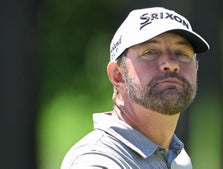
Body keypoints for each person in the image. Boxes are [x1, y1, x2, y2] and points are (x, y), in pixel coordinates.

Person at [61, 7, 209, 169]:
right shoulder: (97, 160)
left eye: (182, 53)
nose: (171, 64)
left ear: (196, 69)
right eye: (151, 52)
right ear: (118, 75)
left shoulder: (177, 158)